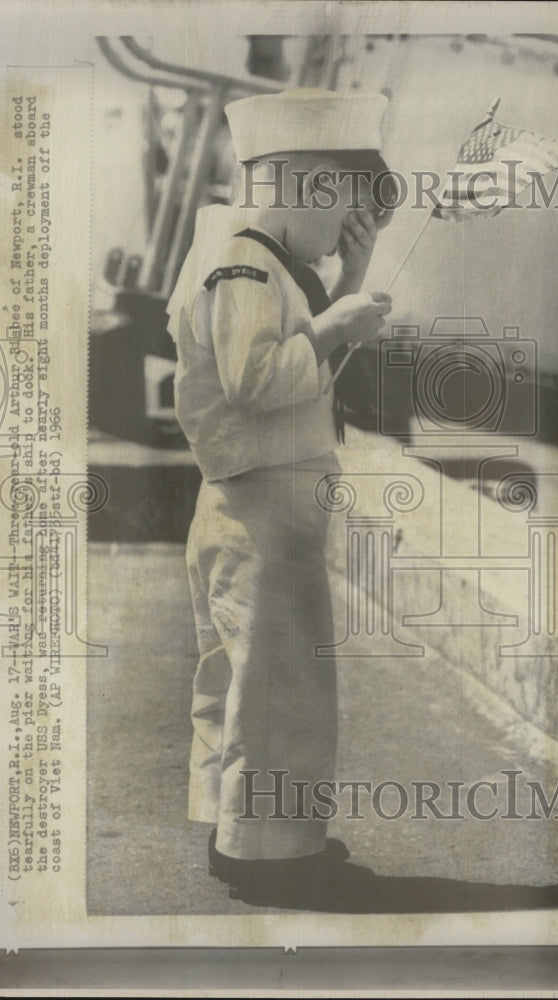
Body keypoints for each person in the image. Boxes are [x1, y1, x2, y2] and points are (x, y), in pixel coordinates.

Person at [166, 87, 395, 901]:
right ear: (307, 185)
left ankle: (242, 839)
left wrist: (349, 285)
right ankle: (271, 862)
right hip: (261, 512)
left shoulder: (250, 254)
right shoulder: (244, 261)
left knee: (243, 681)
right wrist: (338, 326)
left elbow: (295, 382)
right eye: (344, 213)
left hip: (257, 503)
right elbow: (259, 380)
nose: (344, 235)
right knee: (281, 687)